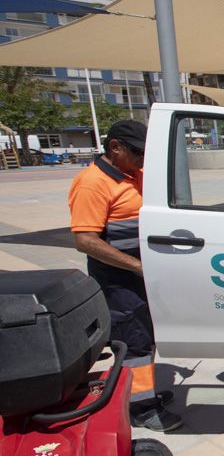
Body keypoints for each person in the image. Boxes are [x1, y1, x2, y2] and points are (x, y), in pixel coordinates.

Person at [68, 120, 182, 432]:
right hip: (120, 279)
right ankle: (141, 407)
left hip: (141, 274)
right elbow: (86, 241)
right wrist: (137, 267)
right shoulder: (92, 183)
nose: (143, 159)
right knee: (134, 341)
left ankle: (145, 394)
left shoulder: (134, 174)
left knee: (145, 335)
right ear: (115, 147)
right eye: (138, 153)